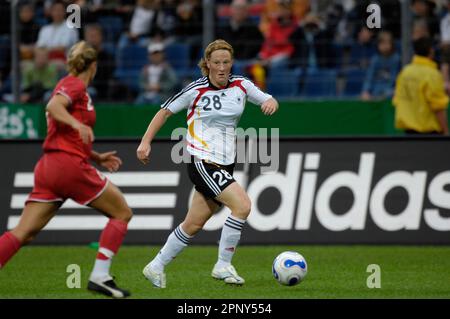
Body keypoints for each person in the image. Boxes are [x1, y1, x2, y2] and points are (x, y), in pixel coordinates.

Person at [137, 39, 279, 288]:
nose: (222, 67)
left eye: (226, 62)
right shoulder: (196, 89)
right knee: (243, 206)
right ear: (208, 64)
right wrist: (145, 142)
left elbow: (269, 99)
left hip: (225, 163)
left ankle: (155, 266)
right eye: (217, 63)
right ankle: (223, 264)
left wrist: (270, 102)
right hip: (202, 161)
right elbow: (164, 112)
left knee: (193, 223)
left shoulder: (241, 85)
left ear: (231, 62)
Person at [0, 41, 132, 298]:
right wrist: (77, 125)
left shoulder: (71, 85)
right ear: (93, 66)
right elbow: (53, 106)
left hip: (50, 166)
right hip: (68, 166)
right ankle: (100, 276)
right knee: (122, 213)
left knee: (23, 233)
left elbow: (65, 131)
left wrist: (95, 156)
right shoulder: (75, 84)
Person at [393, 37, 449, 135]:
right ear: (431, 51)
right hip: (429, 133)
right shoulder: (432, 74)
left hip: (408, 131)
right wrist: (445, 131)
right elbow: (437, 107)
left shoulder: (405, 72)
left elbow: (397, 99)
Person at [135, 41, 178, 105]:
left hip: (162, 95)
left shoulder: (167, 68)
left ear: (163, 55)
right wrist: (146, 86)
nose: (156, 56)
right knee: (139, 101)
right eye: (153, 54)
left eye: (158, 54)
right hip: (145, 94)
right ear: (149, 56)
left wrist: (160, 87)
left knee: (156, 101)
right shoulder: (145, 69)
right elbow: (140, 82)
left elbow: (173, 82)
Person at [361, 31, 400, 101]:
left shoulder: (396, 59)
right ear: (378, 45)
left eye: (387, 43)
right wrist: (366, 91)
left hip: (390, 92)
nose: (385, 46)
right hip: (375, 91)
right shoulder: (375, 60)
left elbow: (394, 79)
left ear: (392, 44)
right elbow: (369, 77)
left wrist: (387, 92)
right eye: (382, 43)